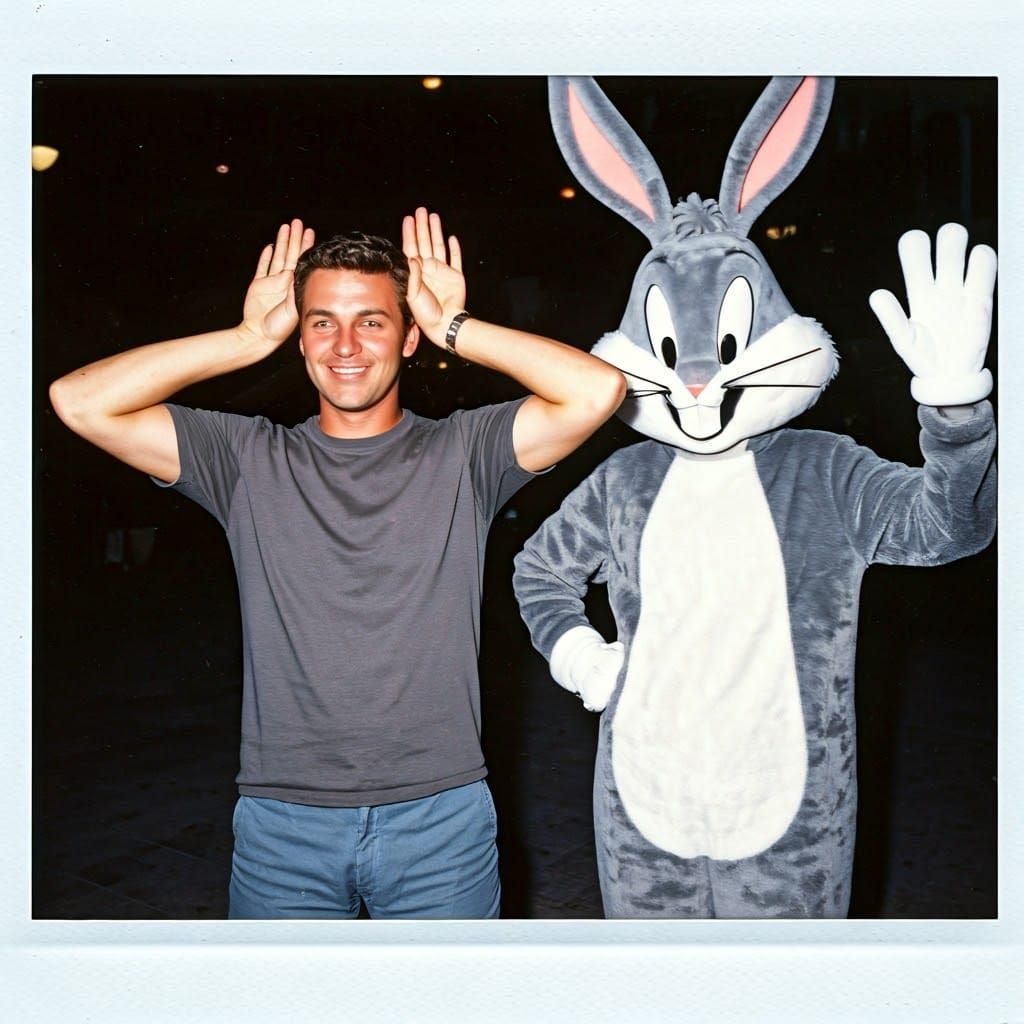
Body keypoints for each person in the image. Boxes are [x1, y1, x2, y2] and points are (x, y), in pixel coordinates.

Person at [49, 207, 626, 919]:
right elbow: (77, 401)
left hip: (440, 819)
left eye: (372, 320)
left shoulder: (464, 453)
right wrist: (244, 338)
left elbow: (598, 391)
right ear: (300, 336)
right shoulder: (245, 459)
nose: (345, 344)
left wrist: (456, 326)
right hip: (282, 824)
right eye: (322, 321)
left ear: (408, 334)